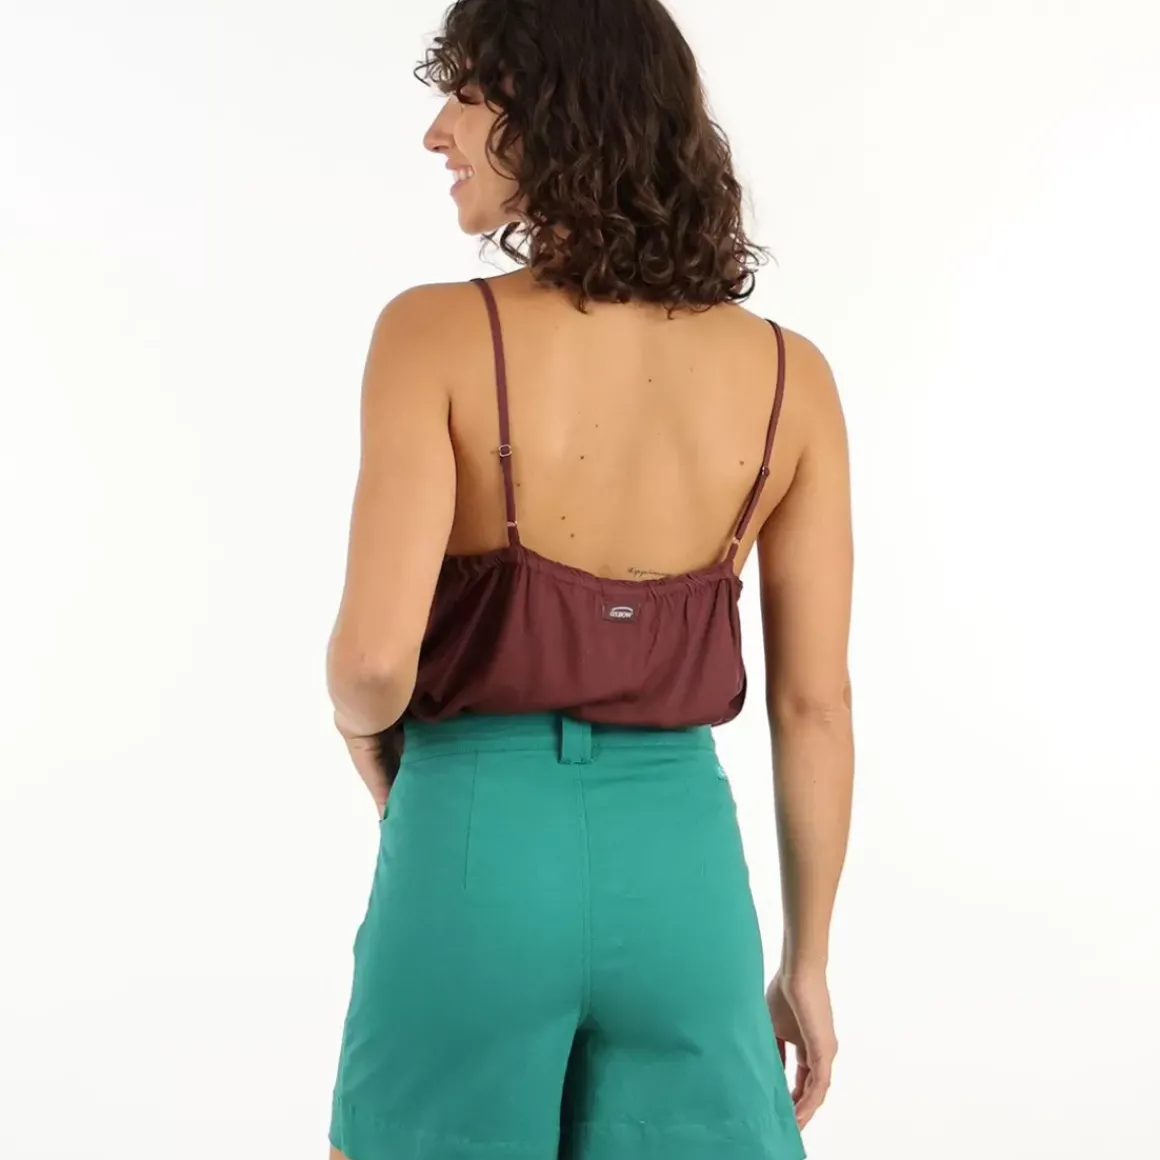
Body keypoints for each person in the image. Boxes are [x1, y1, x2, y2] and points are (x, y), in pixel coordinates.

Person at [324, 1, 854, 1158]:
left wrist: (375, 751)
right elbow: (812, 702)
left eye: (466, 94)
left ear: (554, 112)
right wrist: (804, 959)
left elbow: (369, 664)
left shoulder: (430, 335)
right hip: (684, 873)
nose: (435, 131)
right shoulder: (791, 377)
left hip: (473, 839)